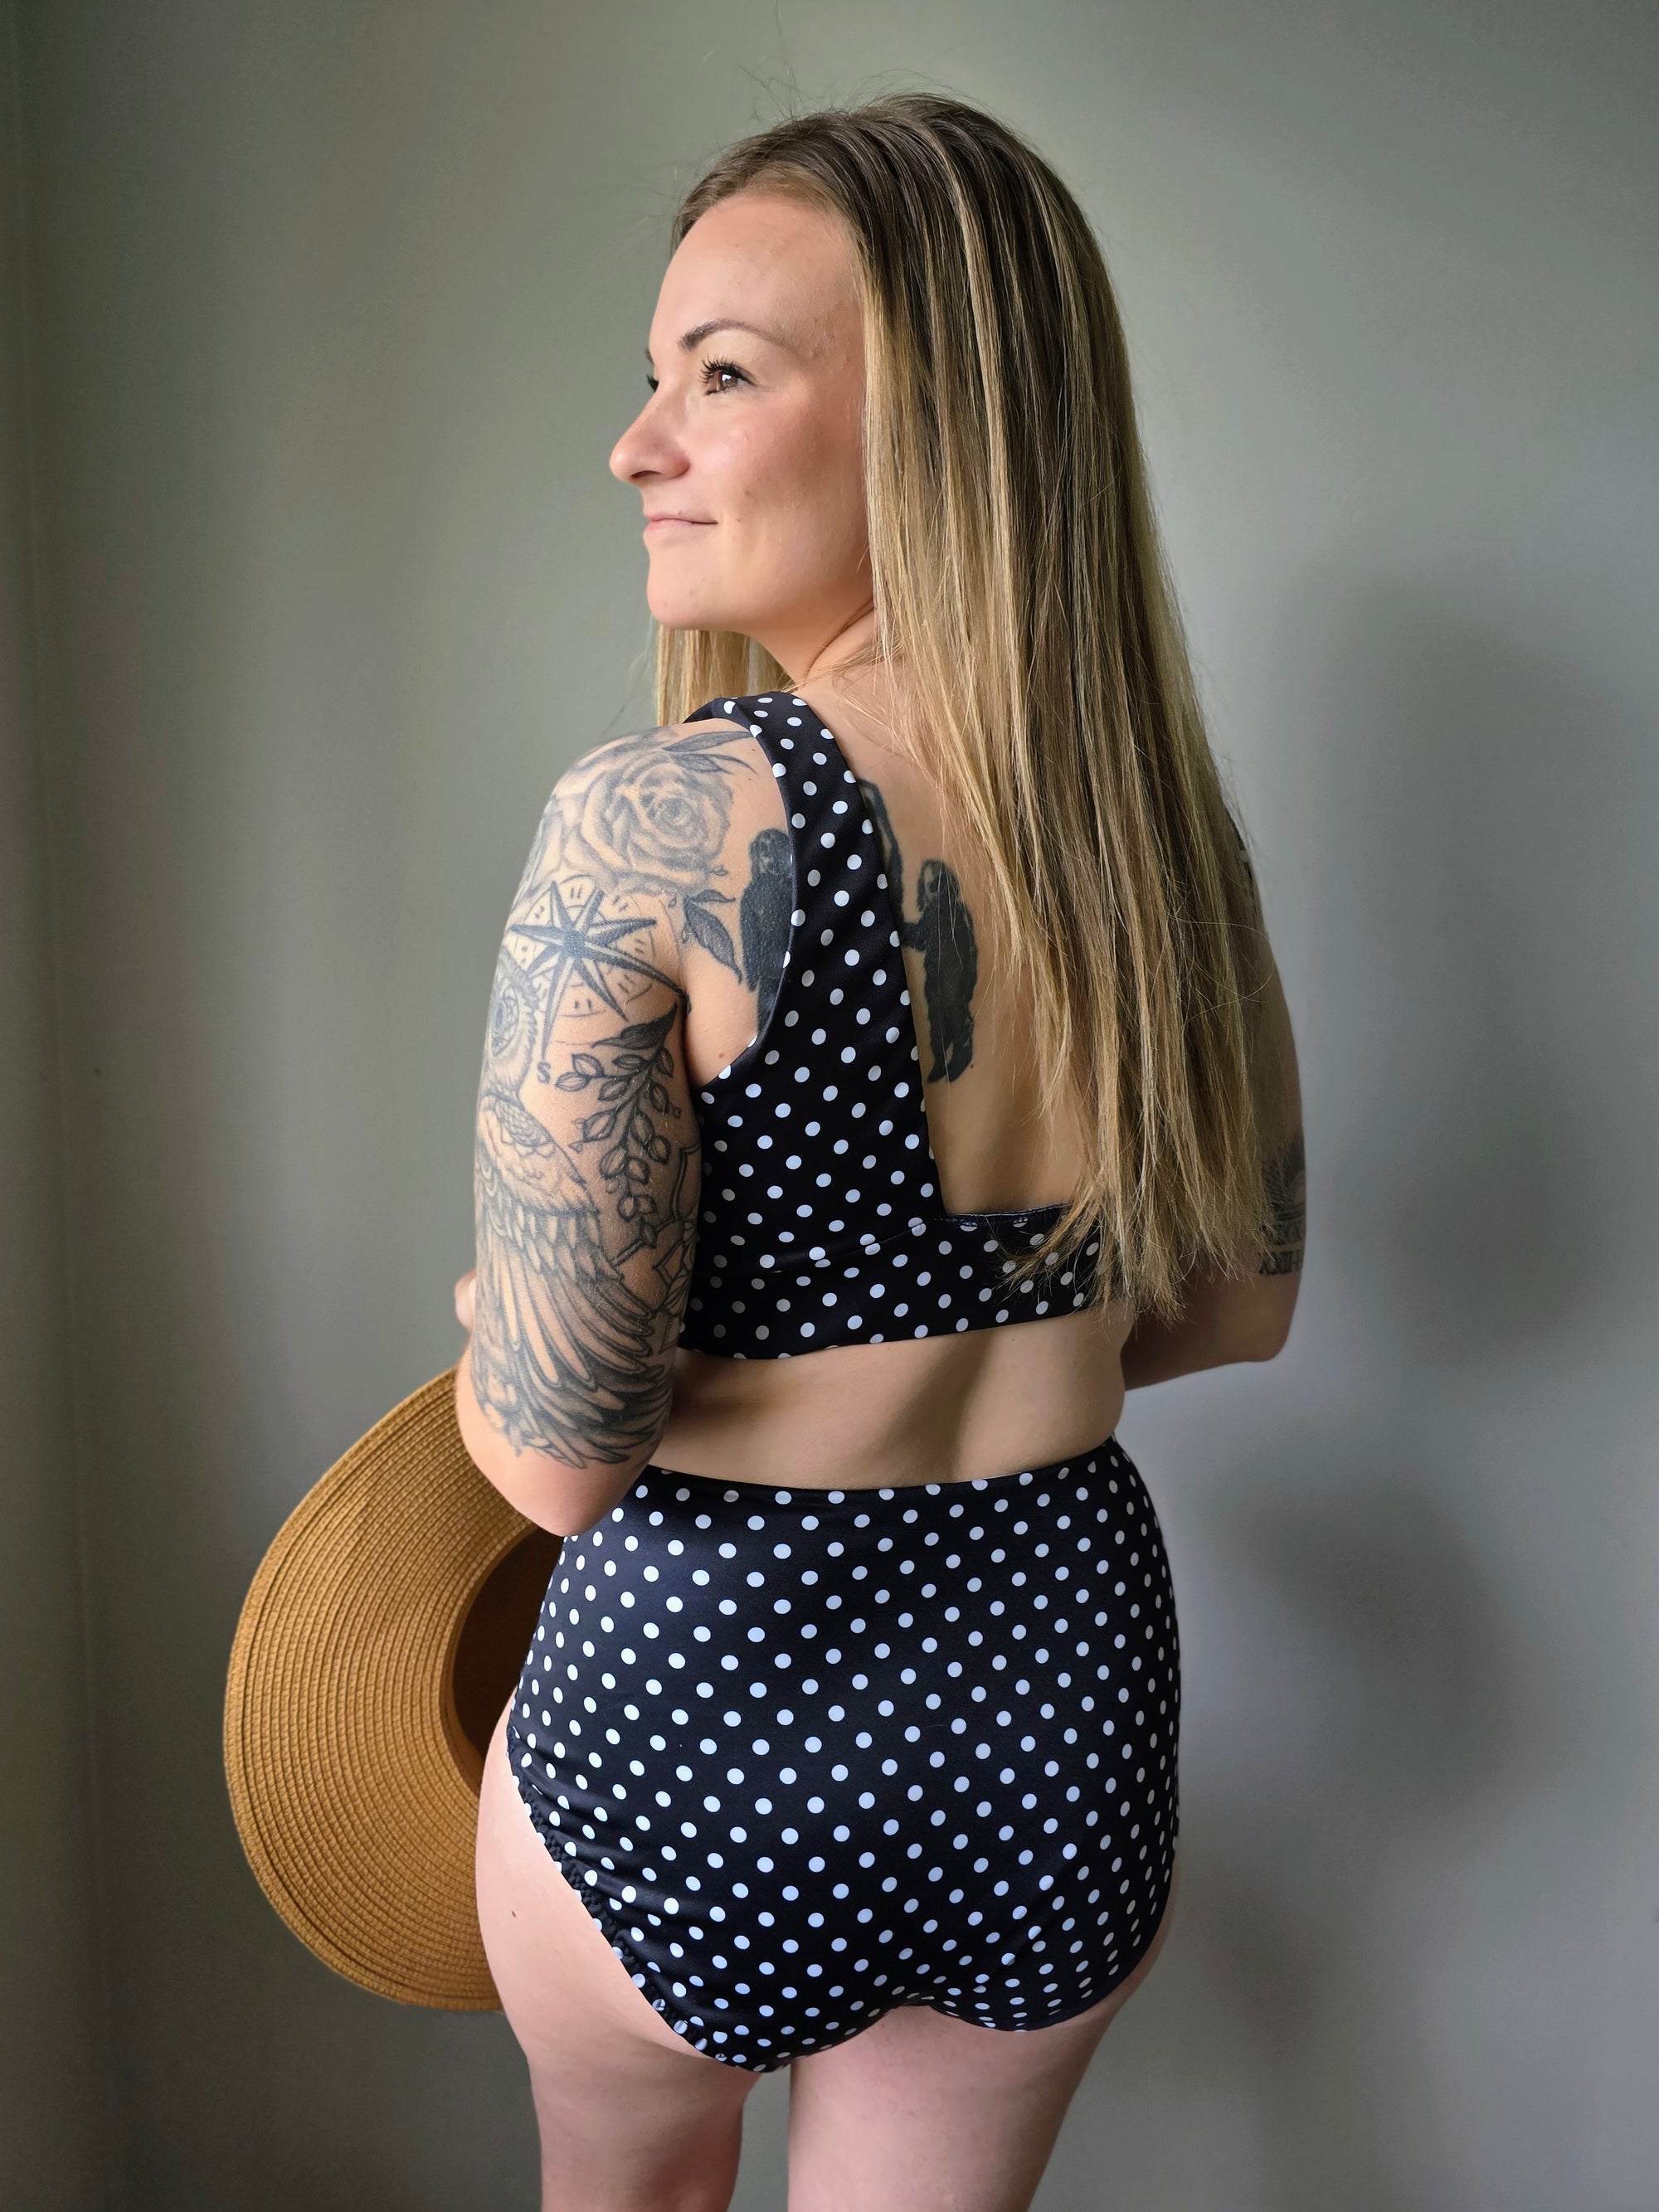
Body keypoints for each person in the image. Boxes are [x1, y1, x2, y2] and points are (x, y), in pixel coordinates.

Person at [454, 90, 1304, 2212]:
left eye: (720, 375)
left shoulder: (656, 820)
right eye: (655, 378)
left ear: (941, 424)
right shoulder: (1158, 842)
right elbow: (1231, 1305)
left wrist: (497, 1332)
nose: (636, 446)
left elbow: (556, 1461)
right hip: (1053, 1690)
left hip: (719, 1697)